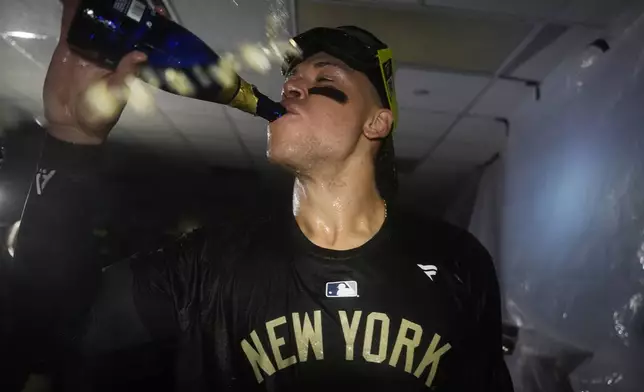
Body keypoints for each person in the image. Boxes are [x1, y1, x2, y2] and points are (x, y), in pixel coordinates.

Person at [7, 1, 513, 391]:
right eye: (292, 77)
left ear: (377, 122)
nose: (292, 86)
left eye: (324, 80)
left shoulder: (456, 263)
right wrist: (71, 139)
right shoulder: (213, 264)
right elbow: (48, 329)